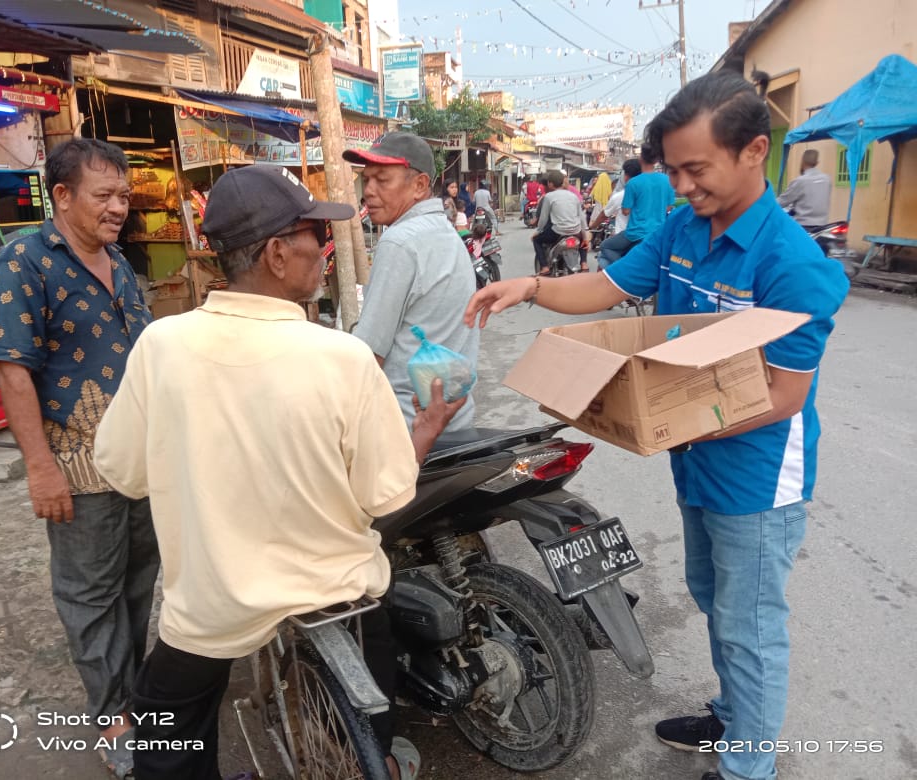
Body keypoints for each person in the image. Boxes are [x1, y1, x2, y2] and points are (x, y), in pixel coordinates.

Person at [463, 70, 849, 780]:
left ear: (754, 151)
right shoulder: (683, 227)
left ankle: (746, 766)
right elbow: (612, 286)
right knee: (713, 601)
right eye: (673, 169)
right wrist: (533, 287)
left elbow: (784, 396)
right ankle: (734, 718)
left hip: (758, 478)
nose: (680, 185)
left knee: (749, 626)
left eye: (695, 169)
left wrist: (667, 420)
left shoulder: (793, 265)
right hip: (696, 458)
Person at [93, 164, 466, 780]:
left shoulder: (163, 346)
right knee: (372, 711)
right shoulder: (344, 358)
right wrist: (423, 431)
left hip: (218, 604)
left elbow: (122, 472)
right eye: (313, 240)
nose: (324, 252)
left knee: (164, 722)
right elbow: (387, 491)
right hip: (337, 589)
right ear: (274, 254)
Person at [0, 138, 159, 779]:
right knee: (89, 594)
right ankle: (113, 716)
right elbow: (13, 369)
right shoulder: (21, 265)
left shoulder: (117, 260)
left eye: (123, 195)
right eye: (104, 196)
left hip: (137, 460)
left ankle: (135, 695)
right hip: (76, 465)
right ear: (62, 196)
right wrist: (39, 466)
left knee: (138, 583)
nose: (119, 207)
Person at [342, 132, 480, 432]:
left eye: (382, 180)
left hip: (407, 426)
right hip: (455, 419)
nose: (369, 191)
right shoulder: (442, 230)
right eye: (366, 180)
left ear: (418, 186)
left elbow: (368, 355)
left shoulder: (400, 242)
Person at [598, 142, 676, 269]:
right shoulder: (666, 180)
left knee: (605, 246)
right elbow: (668, 207)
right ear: (656, 160)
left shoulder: (633, 183)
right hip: (658, 232)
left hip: (635, 233)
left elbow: (625, 211)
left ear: (640, 159)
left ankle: (625, 268)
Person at [531, 169, 588, 275]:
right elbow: (581, 218)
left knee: (536, 240)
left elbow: (543, 219)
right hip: (575, 230)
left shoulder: (548, 197)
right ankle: (584, 263)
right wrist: (585, 237)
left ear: (550, 184)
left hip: (558, 232)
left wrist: (538, 232)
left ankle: (544, 267)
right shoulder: (574, 196)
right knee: (583, 242)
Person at [777, 148, 831, 227]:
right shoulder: (827, 179)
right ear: (817, 162)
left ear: (802, 162)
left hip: (803, 226)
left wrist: (766, 205)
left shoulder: (800, 181)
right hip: (822, 225)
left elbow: (782, 201)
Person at [589, 159, 639, 240]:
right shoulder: (647, 194)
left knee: (605, 246)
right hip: (644, 236)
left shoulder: (620, 195)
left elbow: (603, 215)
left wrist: (592, 226)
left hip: (625, 236)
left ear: (625, 175)